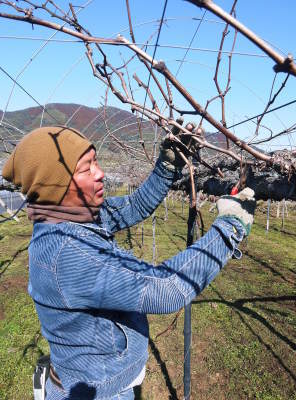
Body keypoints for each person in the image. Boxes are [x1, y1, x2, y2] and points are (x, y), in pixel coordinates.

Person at [2, 125, 256, 400]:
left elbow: (134, 206)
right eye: (87, 169)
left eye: (96, 162)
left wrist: (167, 166)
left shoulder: (73, 216)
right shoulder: (69, 254)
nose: (100, 174)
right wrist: (230, 227)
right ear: (56, 186)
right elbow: (165, 290)